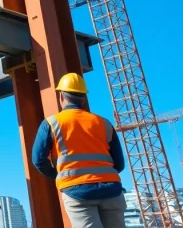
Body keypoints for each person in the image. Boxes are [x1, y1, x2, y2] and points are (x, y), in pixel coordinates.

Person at [32, 73, 127, 228]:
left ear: (61, 96)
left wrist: (59, 175)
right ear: (83, 98)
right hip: (112, 190)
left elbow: (38, 160)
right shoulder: (104, 123)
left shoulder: (51, 123)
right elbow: (119, 164)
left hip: (77, 191)